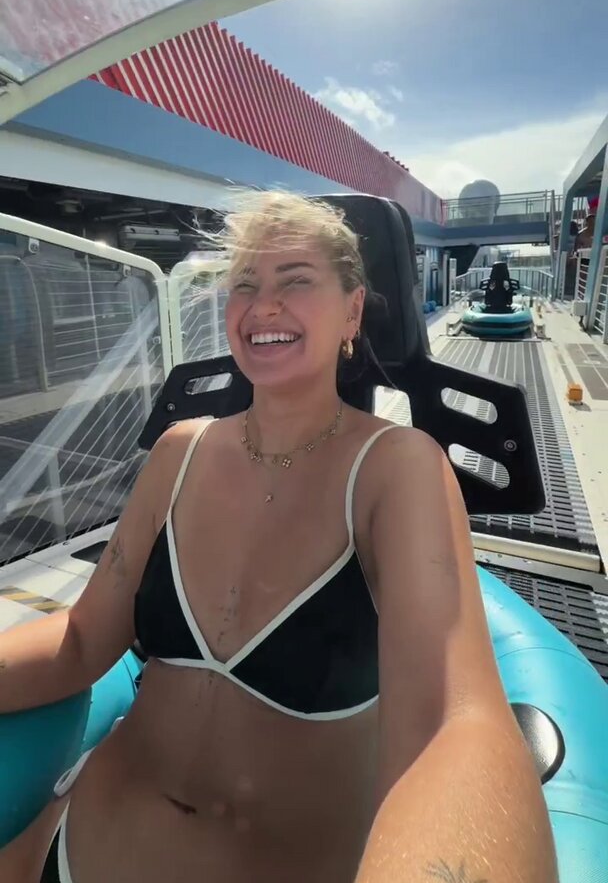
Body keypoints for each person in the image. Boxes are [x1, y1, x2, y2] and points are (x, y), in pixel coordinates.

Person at [0, 192, 557, 882]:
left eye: (295, 281)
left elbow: (453, 722)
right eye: (245, 285)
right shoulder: (177, 453)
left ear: (352, 311)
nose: (263, 307)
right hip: (72, 847)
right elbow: (83, 640)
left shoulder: (396, 470)